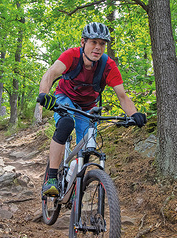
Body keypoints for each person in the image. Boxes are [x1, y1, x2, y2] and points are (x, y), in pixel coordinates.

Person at [37, 22, 147, 196]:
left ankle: (74, 184)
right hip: (65, 98)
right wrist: (44, 94)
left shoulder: (108, 66)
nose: (98, 47)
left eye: (102, 44)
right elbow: (50, 73)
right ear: (83, 42)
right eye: (93, 42)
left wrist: (134, 114)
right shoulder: (71, 56)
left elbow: (122, 96)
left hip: (88, 106)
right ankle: (51, 178)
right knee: (66, 124)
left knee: (88, 147)